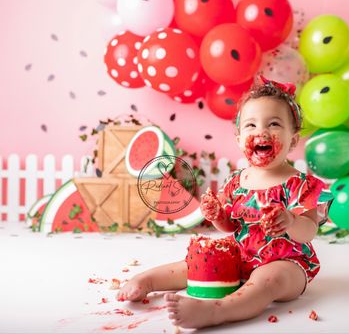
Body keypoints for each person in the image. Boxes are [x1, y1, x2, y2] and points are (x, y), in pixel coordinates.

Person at [117, 76, 329, 329]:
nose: (261, 131)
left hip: (287, 262)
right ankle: (149, 280)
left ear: (293, 140)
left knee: (267, 280)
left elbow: (309, 232)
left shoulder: (300, 184)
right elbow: (230, 227)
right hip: (241, 254)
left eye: (273, 124)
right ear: (239, 139)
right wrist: (218, 215)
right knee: (201, 262)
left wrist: (291, 220)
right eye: (250, 125)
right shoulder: (236, 182)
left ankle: (217, 311)